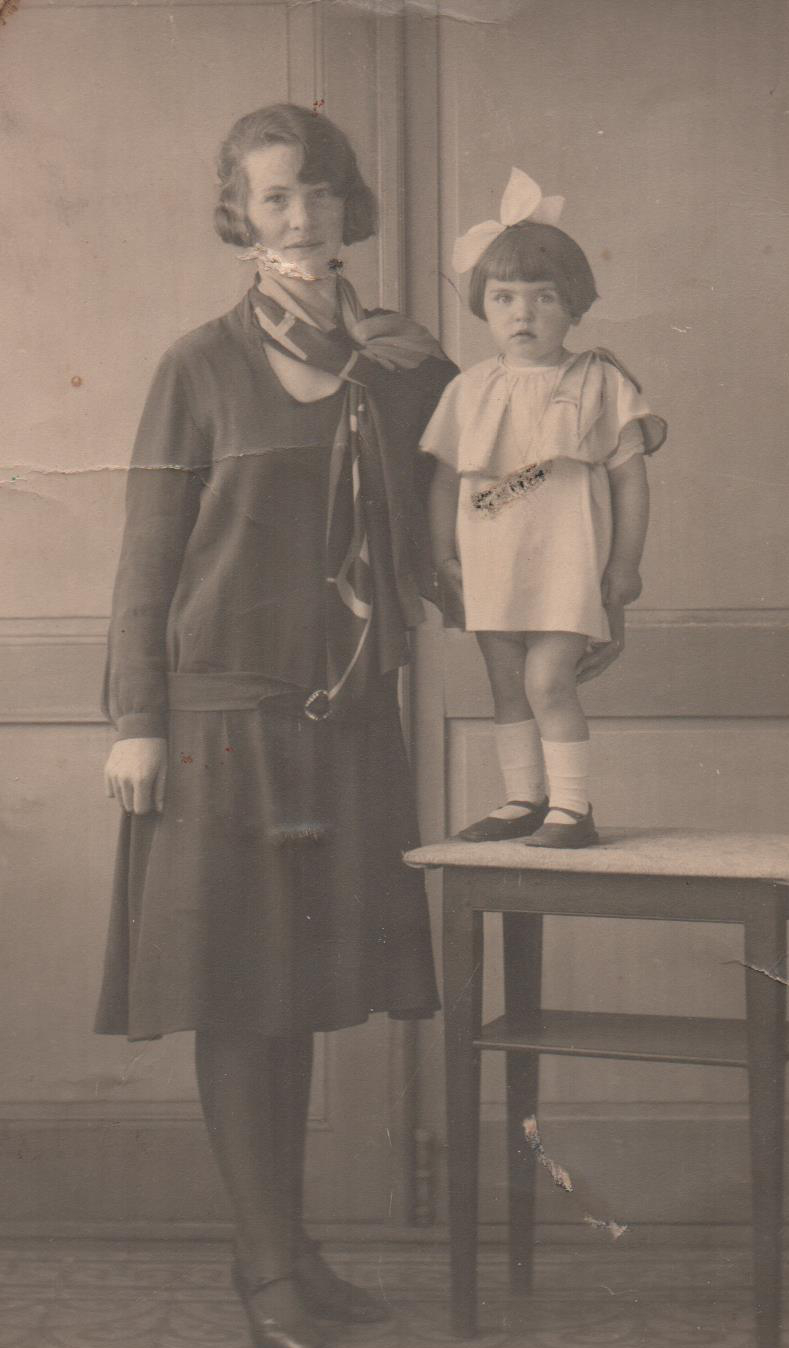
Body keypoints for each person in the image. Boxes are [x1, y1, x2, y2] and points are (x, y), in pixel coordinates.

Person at [97, 103, 456, 1348]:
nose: (301, 216)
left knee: (293, 993)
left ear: (349, 204)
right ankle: (265, 1273)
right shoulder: (198, 365)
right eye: (274, 197)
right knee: (239, 997)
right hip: (217, 723)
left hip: (344, 721)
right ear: (240, 217)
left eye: (319, 191)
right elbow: (147, 557)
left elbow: (459, 510)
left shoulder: (399, 364)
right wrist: (137, 718)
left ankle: (290, 1253)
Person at [422, 169, 666, 849]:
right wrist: (443, 553)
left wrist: (625, 565)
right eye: (503, 298)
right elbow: (443, 482)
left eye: (543, 297)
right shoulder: (468, 390)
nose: (522, 315)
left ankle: (573, 807)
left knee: (549, 680)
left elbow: (630, 482)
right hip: (490, 561)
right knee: (506, 684)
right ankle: (523, 798)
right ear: (483, 306)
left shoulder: (599, 381)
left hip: (566, 563)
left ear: (574, 307)